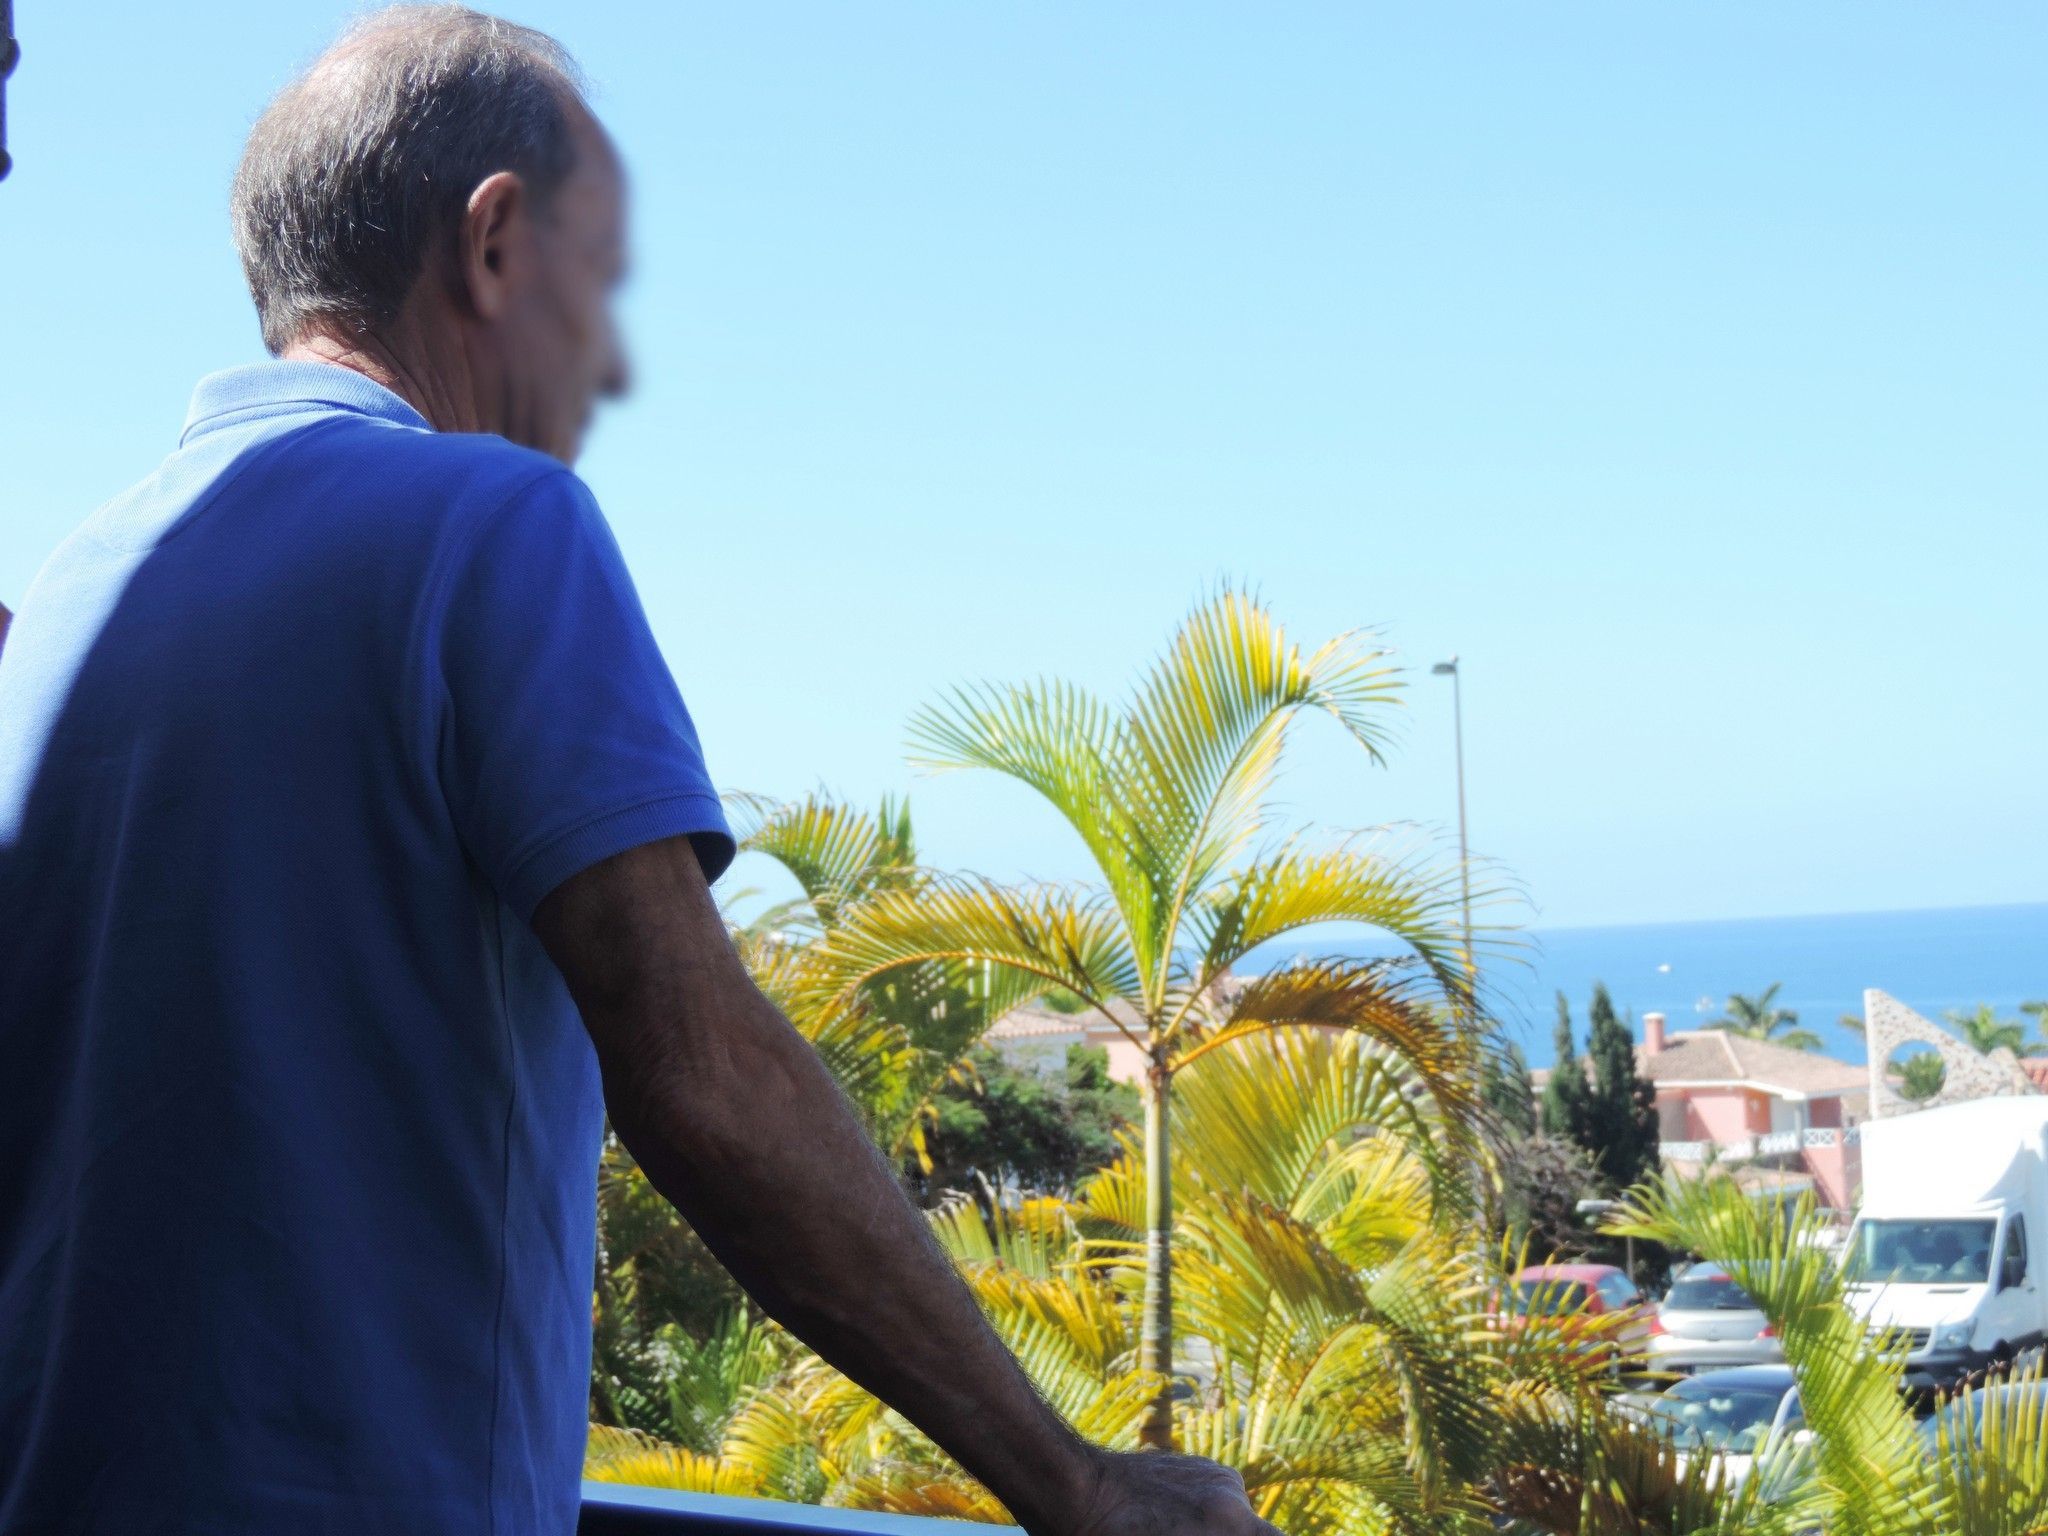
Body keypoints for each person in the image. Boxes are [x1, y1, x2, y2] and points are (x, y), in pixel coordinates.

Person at [0, 9, 1280, 1535]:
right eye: (594, 286)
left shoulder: (79, 586)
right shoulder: (488, 525)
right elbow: (700, 1070)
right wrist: (1074, 1484)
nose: (608, 362)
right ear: (490, 243)